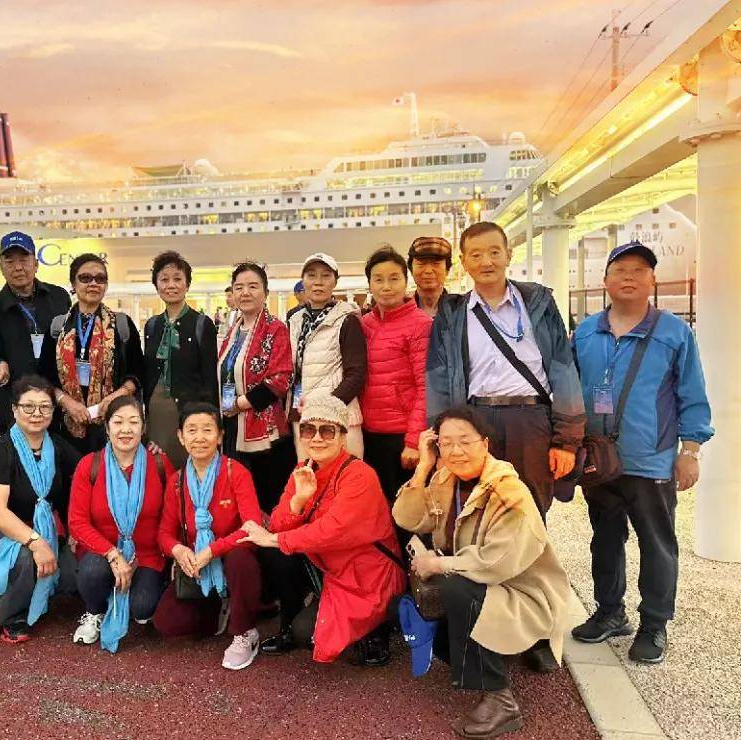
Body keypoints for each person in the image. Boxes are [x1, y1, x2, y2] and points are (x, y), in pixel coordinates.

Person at [571, 241, 713, 664]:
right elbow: (569, 394)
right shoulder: (585, 333)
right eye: (620, 270)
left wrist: (690, 450)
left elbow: (692, 393)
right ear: (605, 281)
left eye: (639, 270)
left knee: (657, 543)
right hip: (599, 461)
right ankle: (610, 612)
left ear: (653, 280)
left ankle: (654, 623)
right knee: (605, 540)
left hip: (651, 460)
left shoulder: (674, 333)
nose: (629, 277)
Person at [392, 408, 570, 739]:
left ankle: (502, 701)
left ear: (485, 444)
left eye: (465, 441)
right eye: (446, 443)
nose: (456, 451)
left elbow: (495, 563)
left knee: (456, 588)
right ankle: (496, 653)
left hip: (523, 594)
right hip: (486, 586)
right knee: (445, 643)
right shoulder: (446, 479)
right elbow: (408, 518)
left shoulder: (509, 491)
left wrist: (438, 563)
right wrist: (423, 468)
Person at [426, 222, 585, 515]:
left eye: (494, 252)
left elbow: (563, 370)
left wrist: (567, 441)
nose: (486, 261)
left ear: (508, 255)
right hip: (474, 422)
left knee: (530, 511)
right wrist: (442, 442)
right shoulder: (453, 313)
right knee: (478, 511)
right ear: (464, 262)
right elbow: (438, 380)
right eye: (475, 255)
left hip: (531, 421)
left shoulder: (538, 303)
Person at [240, 394, 404, 666]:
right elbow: (279, 523)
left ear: (343, 437)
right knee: (274, 554)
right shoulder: (302, 469)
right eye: (308, 429)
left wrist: (275, 538)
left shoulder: (360, 475)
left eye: (327, 430)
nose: (316, 438)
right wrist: (298, 500)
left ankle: (377, 628)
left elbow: (333, 530)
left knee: (309, 630)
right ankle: (288, 623)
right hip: (326, 563)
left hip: (366, 570)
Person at [0, 376, 82, 643]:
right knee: (21, 558)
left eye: (44, 406)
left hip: (44, 524)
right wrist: (36, 542)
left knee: (72, 571)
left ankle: (40, 597)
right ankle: (12, 617)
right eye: (28, 406)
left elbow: (90, 471)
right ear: (14, 409)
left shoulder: (57, 446)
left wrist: (144, 448)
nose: (36, 413)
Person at [153, 402, 265, 670]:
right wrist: (179, 550)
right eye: (192, 430)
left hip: (234, 560)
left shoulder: (236, 472)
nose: (200, 437)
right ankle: (220, 607)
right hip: (200, 567)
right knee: (166, 623)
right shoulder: (177, 481)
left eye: (207, 430)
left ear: (220, 436)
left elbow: (251, 528)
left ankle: (245, 631)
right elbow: (164, 533)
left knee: (239, 559)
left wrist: (212, 551)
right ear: (181, 437)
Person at [68, 395, 172, 652]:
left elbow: (171, 518)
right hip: (102, 552)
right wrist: (113, 555)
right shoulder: (89, 465)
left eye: (134, 422)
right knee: (92, 572)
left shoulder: (159, 463)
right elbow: (77, 522)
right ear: (107, 427)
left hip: (147, 555)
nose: (126, 429)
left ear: (143, 428)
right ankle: (95, 611)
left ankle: (136, 593)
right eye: (118, 422)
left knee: (142, 608)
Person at [38, 253, 145, 456]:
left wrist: (115, 397)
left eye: (100, 278)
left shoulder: (121, 325)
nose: (93, 283)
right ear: (73, 284)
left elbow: (137, 372)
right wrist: (67, 402)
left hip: (113, 423)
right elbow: (44, 376)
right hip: (66, 425)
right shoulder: (58, 327)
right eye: (85, 278)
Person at [359, 247, 433, 518]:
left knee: (408, 513)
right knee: (377, 512)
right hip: (368, 434)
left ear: (406, 281)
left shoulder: (420, 324)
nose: (386, 287)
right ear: (369, 284)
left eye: (394, 278)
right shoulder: (363, 324)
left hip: (400, 437)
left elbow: (425, 386)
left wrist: (413, 441)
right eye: (378, 279)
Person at [218, 261, 295, 512]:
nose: (245, 292)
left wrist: (239, 404)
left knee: (266, 502)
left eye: (253, 286)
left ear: (265, 292)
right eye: (239, 287)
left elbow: (281, 379)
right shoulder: (234, 330)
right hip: (232, 426)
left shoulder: (276, 329)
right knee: (240, 499)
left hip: (265, 433)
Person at [0, 231, 71, 435]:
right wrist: (11, 419)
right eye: (10, 261)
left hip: (60, 408)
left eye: (24, 259)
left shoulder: (59, 298)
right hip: (18, 414)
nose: (18, 267)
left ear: (36, 263)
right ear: (1, 267)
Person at [142, 251, 219, 469]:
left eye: (177, 279)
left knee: (191, 470)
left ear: (187, 284)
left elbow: (209, 379)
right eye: (164, 279)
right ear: (156, 285)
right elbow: (147, 374)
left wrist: (211, 422)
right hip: (157, 414)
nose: (171, 285)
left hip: (190, 414)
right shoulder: (152, 326)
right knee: (159, 470)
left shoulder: (202, 324)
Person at [286, 253, 367, 459]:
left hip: (339, 416)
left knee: (344, 473)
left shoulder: (346, 319)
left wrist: (327, 406)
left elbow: (356, 374)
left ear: (335, 281)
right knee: (308, 474)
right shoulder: (295, 320)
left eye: (326, 275)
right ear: (303, 281)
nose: (318, 282)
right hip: (303, 414)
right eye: (312, 275)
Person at [407, 236, 455, 318]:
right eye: (421, 263)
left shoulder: (459, 310)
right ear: (411, 269)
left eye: (436, 264)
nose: (428, 271)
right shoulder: (402, 311)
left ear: (447, 270)